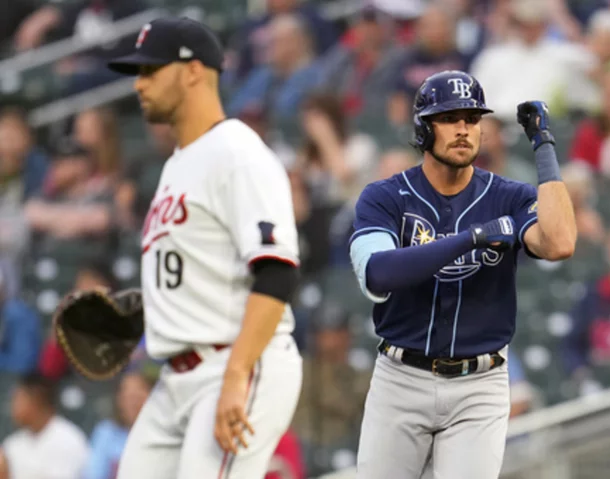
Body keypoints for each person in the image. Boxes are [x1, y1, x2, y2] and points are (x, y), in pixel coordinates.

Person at [348, 70, 576, 478]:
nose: (463, 129)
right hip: (401, 379)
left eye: (472, 119)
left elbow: (559, 243)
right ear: (423, 129)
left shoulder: (508, 196)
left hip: (480, 385)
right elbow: (378, 274)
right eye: (449, 118)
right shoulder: (384, 197)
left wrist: (544, 146)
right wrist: (470, 238)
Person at [104, 17, 303, 479]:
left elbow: (278, 270)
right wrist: (133, 318)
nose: (139, 84)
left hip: (233, 365)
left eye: (151, 69)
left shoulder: (236, 151)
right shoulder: (178, 164)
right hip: (175, 378)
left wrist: (237, 377)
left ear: (193, 70)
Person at [0, 373, 89, 479]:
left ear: (36, 400)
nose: (13, 407)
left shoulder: (68, 440)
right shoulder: (12, 444)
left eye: (18, 399)